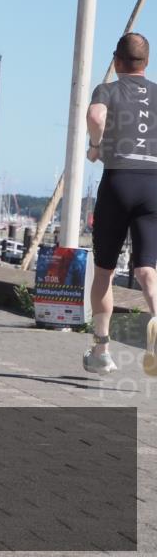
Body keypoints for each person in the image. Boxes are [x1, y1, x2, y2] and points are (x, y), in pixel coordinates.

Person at [84, 32, 157, 376]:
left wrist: (96, 146)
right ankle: (155, 316)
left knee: (104, 272)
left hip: (118, 180)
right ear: (147, 63)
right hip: (152, 185)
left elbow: (96, 116)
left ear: (116, 61)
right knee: (146, 271)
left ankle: (101, 350)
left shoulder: (108, 89)